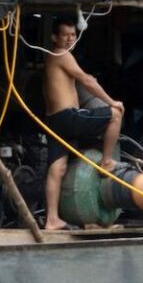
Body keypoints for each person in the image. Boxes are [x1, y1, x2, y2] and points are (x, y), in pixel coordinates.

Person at [41, 18, 124, 230]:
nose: (70, 39)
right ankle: (106, 162)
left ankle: (52, 219)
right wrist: (111, 101)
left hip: (54, 120)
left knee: (57, 168)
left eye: (73, 35)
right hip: (68, 117)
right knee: (115, 114)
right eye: (65, 35)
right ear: (55, 37)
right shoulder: (61, 54)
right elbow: (86, 80)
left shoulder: (50, 57)